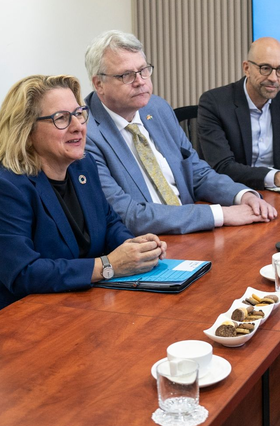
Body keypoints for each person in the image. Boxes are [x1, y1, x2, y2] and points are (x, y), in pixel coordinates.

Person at [83, 30, 278, 235]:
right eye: (126, 75)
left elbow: (197, 172)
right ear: (99, 84)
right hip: (146, 243)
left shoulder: (157, 108)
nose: (140, 81)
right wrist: (221, 215)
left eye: (143, 70)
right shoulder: (86, 135)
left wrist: (242, 195)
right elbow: (129, 215)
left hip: (192, 232)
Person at [0, 75, 167, 310]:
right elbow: (23, 273)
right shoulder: (8, 186)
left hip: (86, 303)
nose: (78, 126)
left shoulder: (83, 166)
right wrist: (108, 266)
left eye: (79, 113)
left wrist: (135, 248)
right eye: (61, 118)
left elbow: (109, 223)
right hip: (30, 315)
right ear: (26, 132)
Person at [198, 37, 280, 192]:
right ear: (247, 68)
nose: (273, 78)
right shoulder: (214, 102)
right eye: (265, 68)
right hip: (230, 193)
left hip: (274, 194)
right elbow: (222, 167)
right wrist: (279, 177)